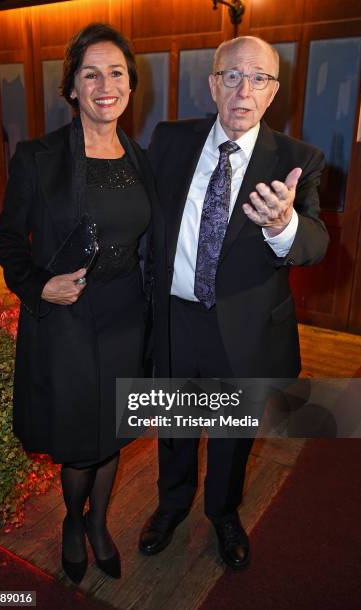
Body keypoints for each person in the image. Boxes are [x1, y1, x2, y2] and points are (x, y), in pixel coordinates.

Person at [139, 36, 329, 569]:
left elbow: (314, 246)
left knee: (230, 436)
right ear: (212, 83)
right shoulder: (171, 141)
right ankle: (171, 505)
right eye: (232, 76)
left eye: (260, 79)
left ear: (273, 93)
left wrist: (283, 223)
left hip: (244, 330)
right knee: (174, 426)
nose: (244, 90)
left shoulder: (297, 159)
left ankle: (223, 513)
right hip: (175, 319)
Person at [0, 23, 162, 584]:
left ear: (131, 87)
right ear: (72, 89)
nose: (104, 84)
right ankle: (72, 521)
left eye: (116, 73)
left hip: (124, 317)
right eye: (90, 73)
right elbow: (10, 242)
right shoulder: (38, 159)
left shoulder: (142, 160)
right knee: (78, 435)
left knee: (112, 428)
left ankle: (97, 525)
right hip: (67, 317)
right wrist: (38, 284)